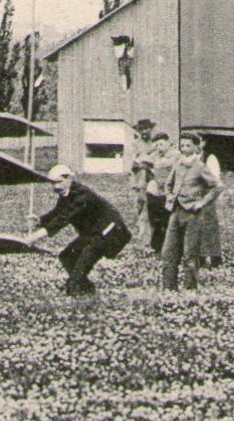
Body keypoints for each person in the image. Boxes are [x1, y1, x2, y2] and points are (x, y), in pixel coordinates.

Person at [24, 164, 131, 296]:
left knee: (79, 271)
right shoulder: (67, 193)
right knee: (67, 256)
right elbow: (58, 212)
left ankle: (77, 293)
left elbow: (63, 219)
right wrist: (40, 221)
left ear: (69, 178)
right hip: (93, 234)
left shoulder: (82, 196)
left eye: (59, 182)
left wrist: (33, 237)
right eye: (52, 183)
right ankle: (87, 290)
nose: (55, 187)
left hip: (109, 233)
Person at [161, 132, 220, 290]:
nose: (185, 149)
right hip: (176, 212)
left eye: (188, 145)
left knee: (190, 253)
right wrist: (170, 197)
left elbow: (217, 186)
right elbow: (168, 184)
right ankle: (168, 288)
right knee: (168, 252)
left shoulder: (200, 167)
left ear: (196, 147)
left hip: (193, 215)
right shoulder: (178, 164)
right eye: (182, 145)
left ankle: (189, 289)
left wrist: (201, 202)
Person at [135, 132, 176, 254]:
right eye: (157, 145)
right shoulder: (154, 155)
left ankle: (169, 247)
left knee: (168, 220)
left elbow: (172, 166)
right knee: (154, 219)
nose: (159, 147)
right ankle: (156, 246)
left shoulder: (175, 155)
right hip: (156, 192)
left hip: (170, 192)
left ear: (168, 143)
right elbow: (141, 161)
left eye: (162, 144)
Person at [194, 133, 225, 268]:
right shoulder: (191, 158)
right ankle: (199, 257)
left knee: (209, 226)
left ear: (204, 143)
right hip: (193, 196)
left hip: (206, 195)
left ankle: (215, 257)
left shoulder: (210, 158)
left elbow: (215, 180)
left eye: (198, 141)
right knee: (195, 227)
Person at [128, 118, 156, 237]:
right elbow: (134, 163)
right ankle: (142, 229)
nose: (144, 131)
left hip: (153, 177)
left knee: (153, 203)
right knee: (140, 202)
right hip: (139, 179)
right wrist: (145, 162)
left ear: (151, 129)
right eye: (142, 129)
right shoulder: (135, 144)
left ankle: (152, 228)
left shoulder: (155, 143)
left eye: (147, 128)